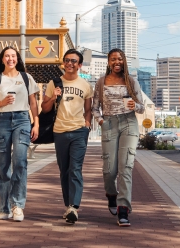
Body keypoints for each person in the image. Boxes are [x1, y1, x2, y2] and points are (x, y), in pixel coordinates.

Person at [0, 46, 39, 222]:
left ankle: (17, 206)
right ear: (2, 59)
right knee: (4, 166)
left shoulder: (26, 77)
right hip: (2, 121)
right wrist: (2, 102)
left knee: (20, 162)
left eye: (13, 56)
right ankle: (4, 207)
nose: (10, 59)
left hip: (22, 120)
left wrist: (35, 122)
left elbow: (33, 102)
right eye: (7, 56)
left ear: (17, 58)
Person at [92, 48, 145, 227]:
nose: (117, 62)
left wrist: (134, 105)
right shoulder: (101, 82)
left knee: (126, 167)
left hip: (129, 123)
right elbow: (94, 108)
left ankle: (124, 209)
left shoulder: (131, 81)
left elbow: (142, 107)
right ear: (108, 62)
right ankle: (111, 194)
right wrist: (100, 121)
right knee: (109, 170)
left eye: (120, 59)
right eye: (113, 59)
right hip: (109, 124)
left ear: (124, 61)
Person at [41, 49, 92, 224]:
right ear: (63, 63)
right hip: (60, 131)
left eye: (73, 61)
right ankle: (68, 205)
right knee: (64, 170)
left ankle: (74, 207)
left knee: (75, 169)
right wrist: (52, 97)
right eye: (67, 60)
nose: (69, 63)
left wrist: (87, 124)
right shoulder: (54, 82)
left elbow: (88, 109)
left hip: (79, 131)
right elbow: (45, 108)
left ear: (79, 65)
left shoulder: (85, 85)